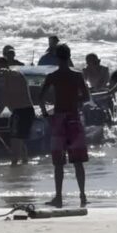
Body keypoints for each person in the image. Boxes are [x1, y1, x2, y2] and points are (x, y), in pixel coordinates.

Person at [38, 44, 90, 207]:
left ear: (56, 57)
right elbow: (86, 97)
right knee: (78, 161)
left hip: (59, 119)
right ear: (69, 56)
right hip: (74, 117)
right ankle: (82, 196)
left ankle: (59, 197)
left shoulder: (53, 75)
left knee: (58, 163)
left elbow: (40, 98)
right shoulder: (77, 75)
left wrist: (46, 114)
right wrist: (75, 101)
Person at [0, 57, 35, 166]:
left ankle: (14, 170)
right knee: (20, 143)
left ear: (5, 66)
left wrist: (6, 71)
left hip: (24, 111)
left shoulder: (15, 74)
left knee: (16, 142)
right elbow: (1, 104)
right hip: (18, 112)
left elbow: (14, 74)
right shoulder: (3, 81)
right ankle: (23, 167)